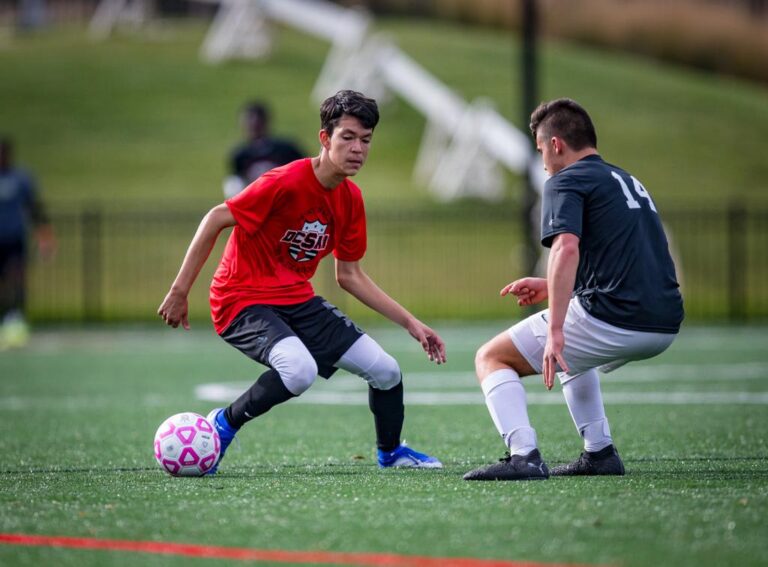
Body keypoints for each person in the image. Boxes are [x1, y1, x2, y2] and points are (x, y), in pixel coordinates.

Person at [159, 90, 447, 474]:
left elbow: (350, 275)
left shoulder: (350, 199)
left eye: (366, 140)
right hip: (240, 299)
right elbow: (215, 219)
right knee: (299, 370)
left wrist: (412, 323)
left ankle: (391, 453)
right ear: (325, 139)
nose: (358, 148)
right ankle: (223, 423)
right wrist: (180, 291)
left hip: (297, 300)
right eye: (347, 137)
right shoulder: (284, 181)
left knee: (387, 371)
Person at [463, 98, 684, 481]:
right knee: (571, 357)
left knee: (491, 358)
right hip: (665, 320)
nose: (543, 162)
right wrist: (551, 289)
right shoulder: (628, 180)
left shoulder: (565, 179)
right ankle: (599, 453)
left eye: (540, 151)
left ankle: (523, 456)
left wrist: (555, 329)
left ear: (556, 145)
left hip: (619, 317)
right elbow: (623, 260)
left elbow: (566, 247)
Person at [0, 136, 55, 350]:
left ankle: (16, 321)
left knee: (16, 279)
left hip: (14, 239)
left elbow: (35, 210)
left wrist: (45, 237)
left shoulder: (21, 179)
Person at [223, 100, 305, 198]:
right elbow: (235, 185)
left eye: (257, 124)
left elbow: (305, 174)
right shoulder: (240, 156)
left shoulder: (286, 150)